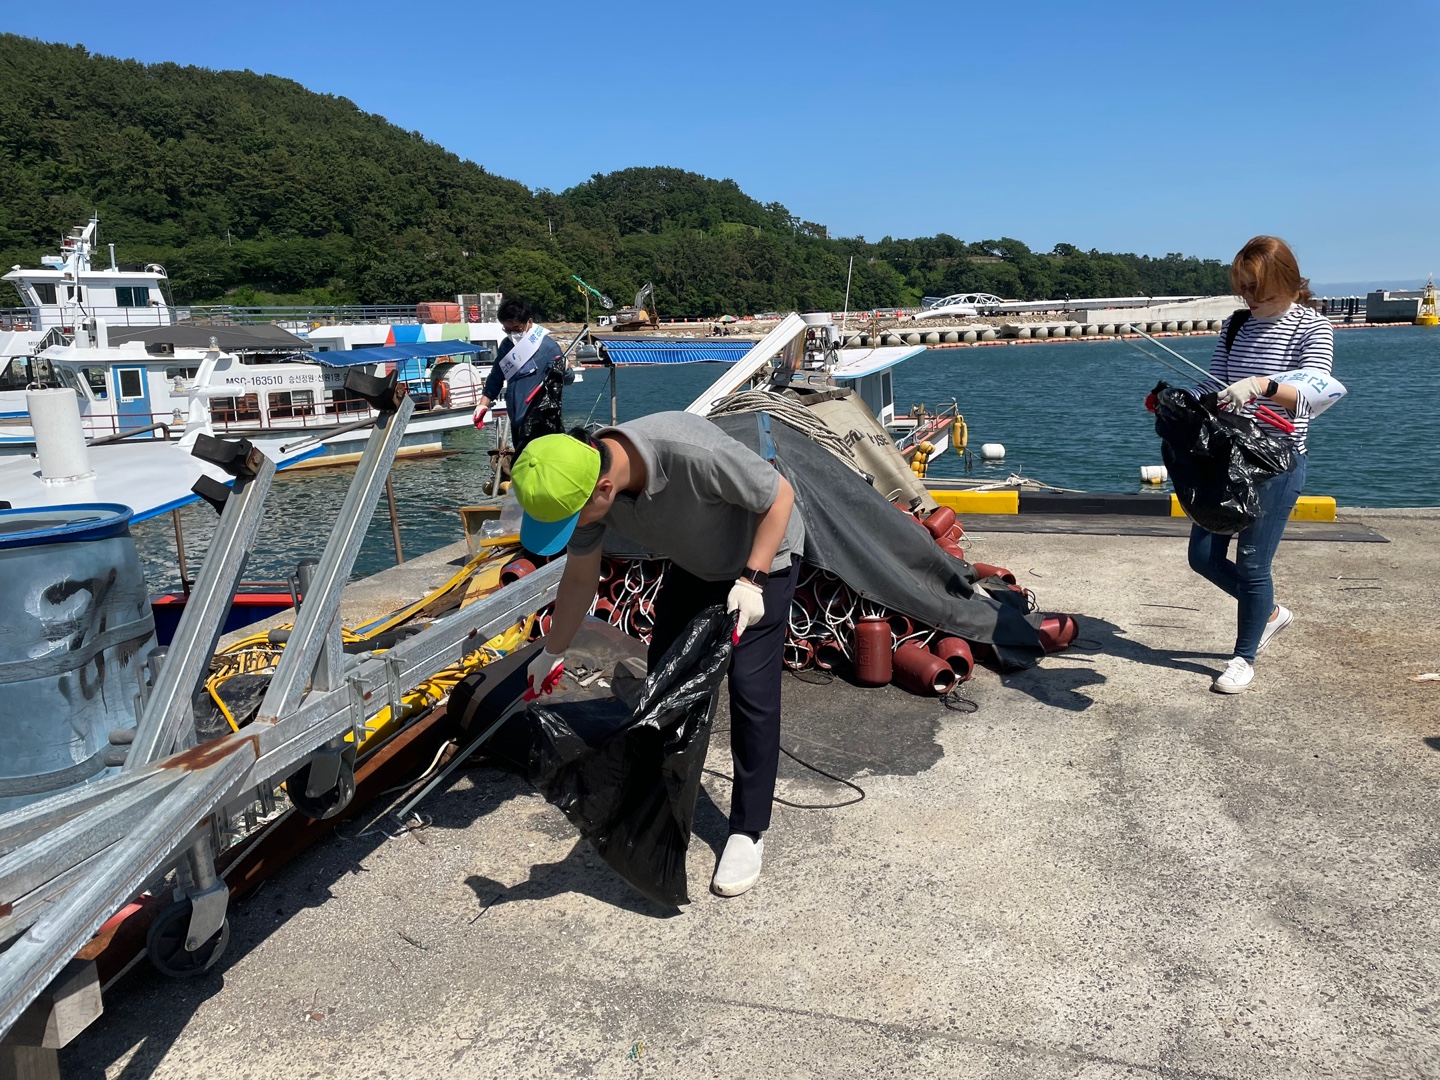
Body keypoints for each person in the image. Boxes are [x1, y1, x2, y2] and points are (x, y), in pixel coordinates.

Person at [510, 415, 805, 897]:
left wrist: (753, 580)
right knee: (663, 685)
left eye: (573, 519)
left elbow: (780, 497)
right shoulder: (581, 481)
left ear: (604, 489)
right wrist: (553, 650)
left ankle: (748, 830)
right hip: (696, 564)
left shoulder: (693, 453)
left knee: (751, 690)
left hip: (762, 557)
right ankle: (662, 803)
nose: (576, 527)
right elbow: (581, 576)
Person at [1189, 236, 1333, 693]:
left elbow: (1314, 395)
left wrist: (1261, 385)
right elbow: (1213, 386)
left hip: (1277, 461)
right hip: (1228, 458)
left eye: (1260, 291)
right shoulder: (1236, 325)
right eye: (1244, 289)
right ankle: (1269, 613)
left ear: (1288, 282)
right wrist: (1183, 401)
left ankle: (1243, 658)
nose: (1251, 300)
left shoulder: (1312, 328)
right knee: (1203, 557)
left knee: (1252, 564)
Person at [472, 298, 571, 451]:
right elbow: (496, 377)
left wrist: (565, 369)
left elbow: (567, 380)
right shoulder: (507, 345)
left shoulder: (548, 347)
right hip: (516, 419)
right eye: (507, 330)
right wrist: (482, 405)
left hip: (540, 421)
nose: (512, 334)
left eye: (517, 329)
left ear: (529, 322)